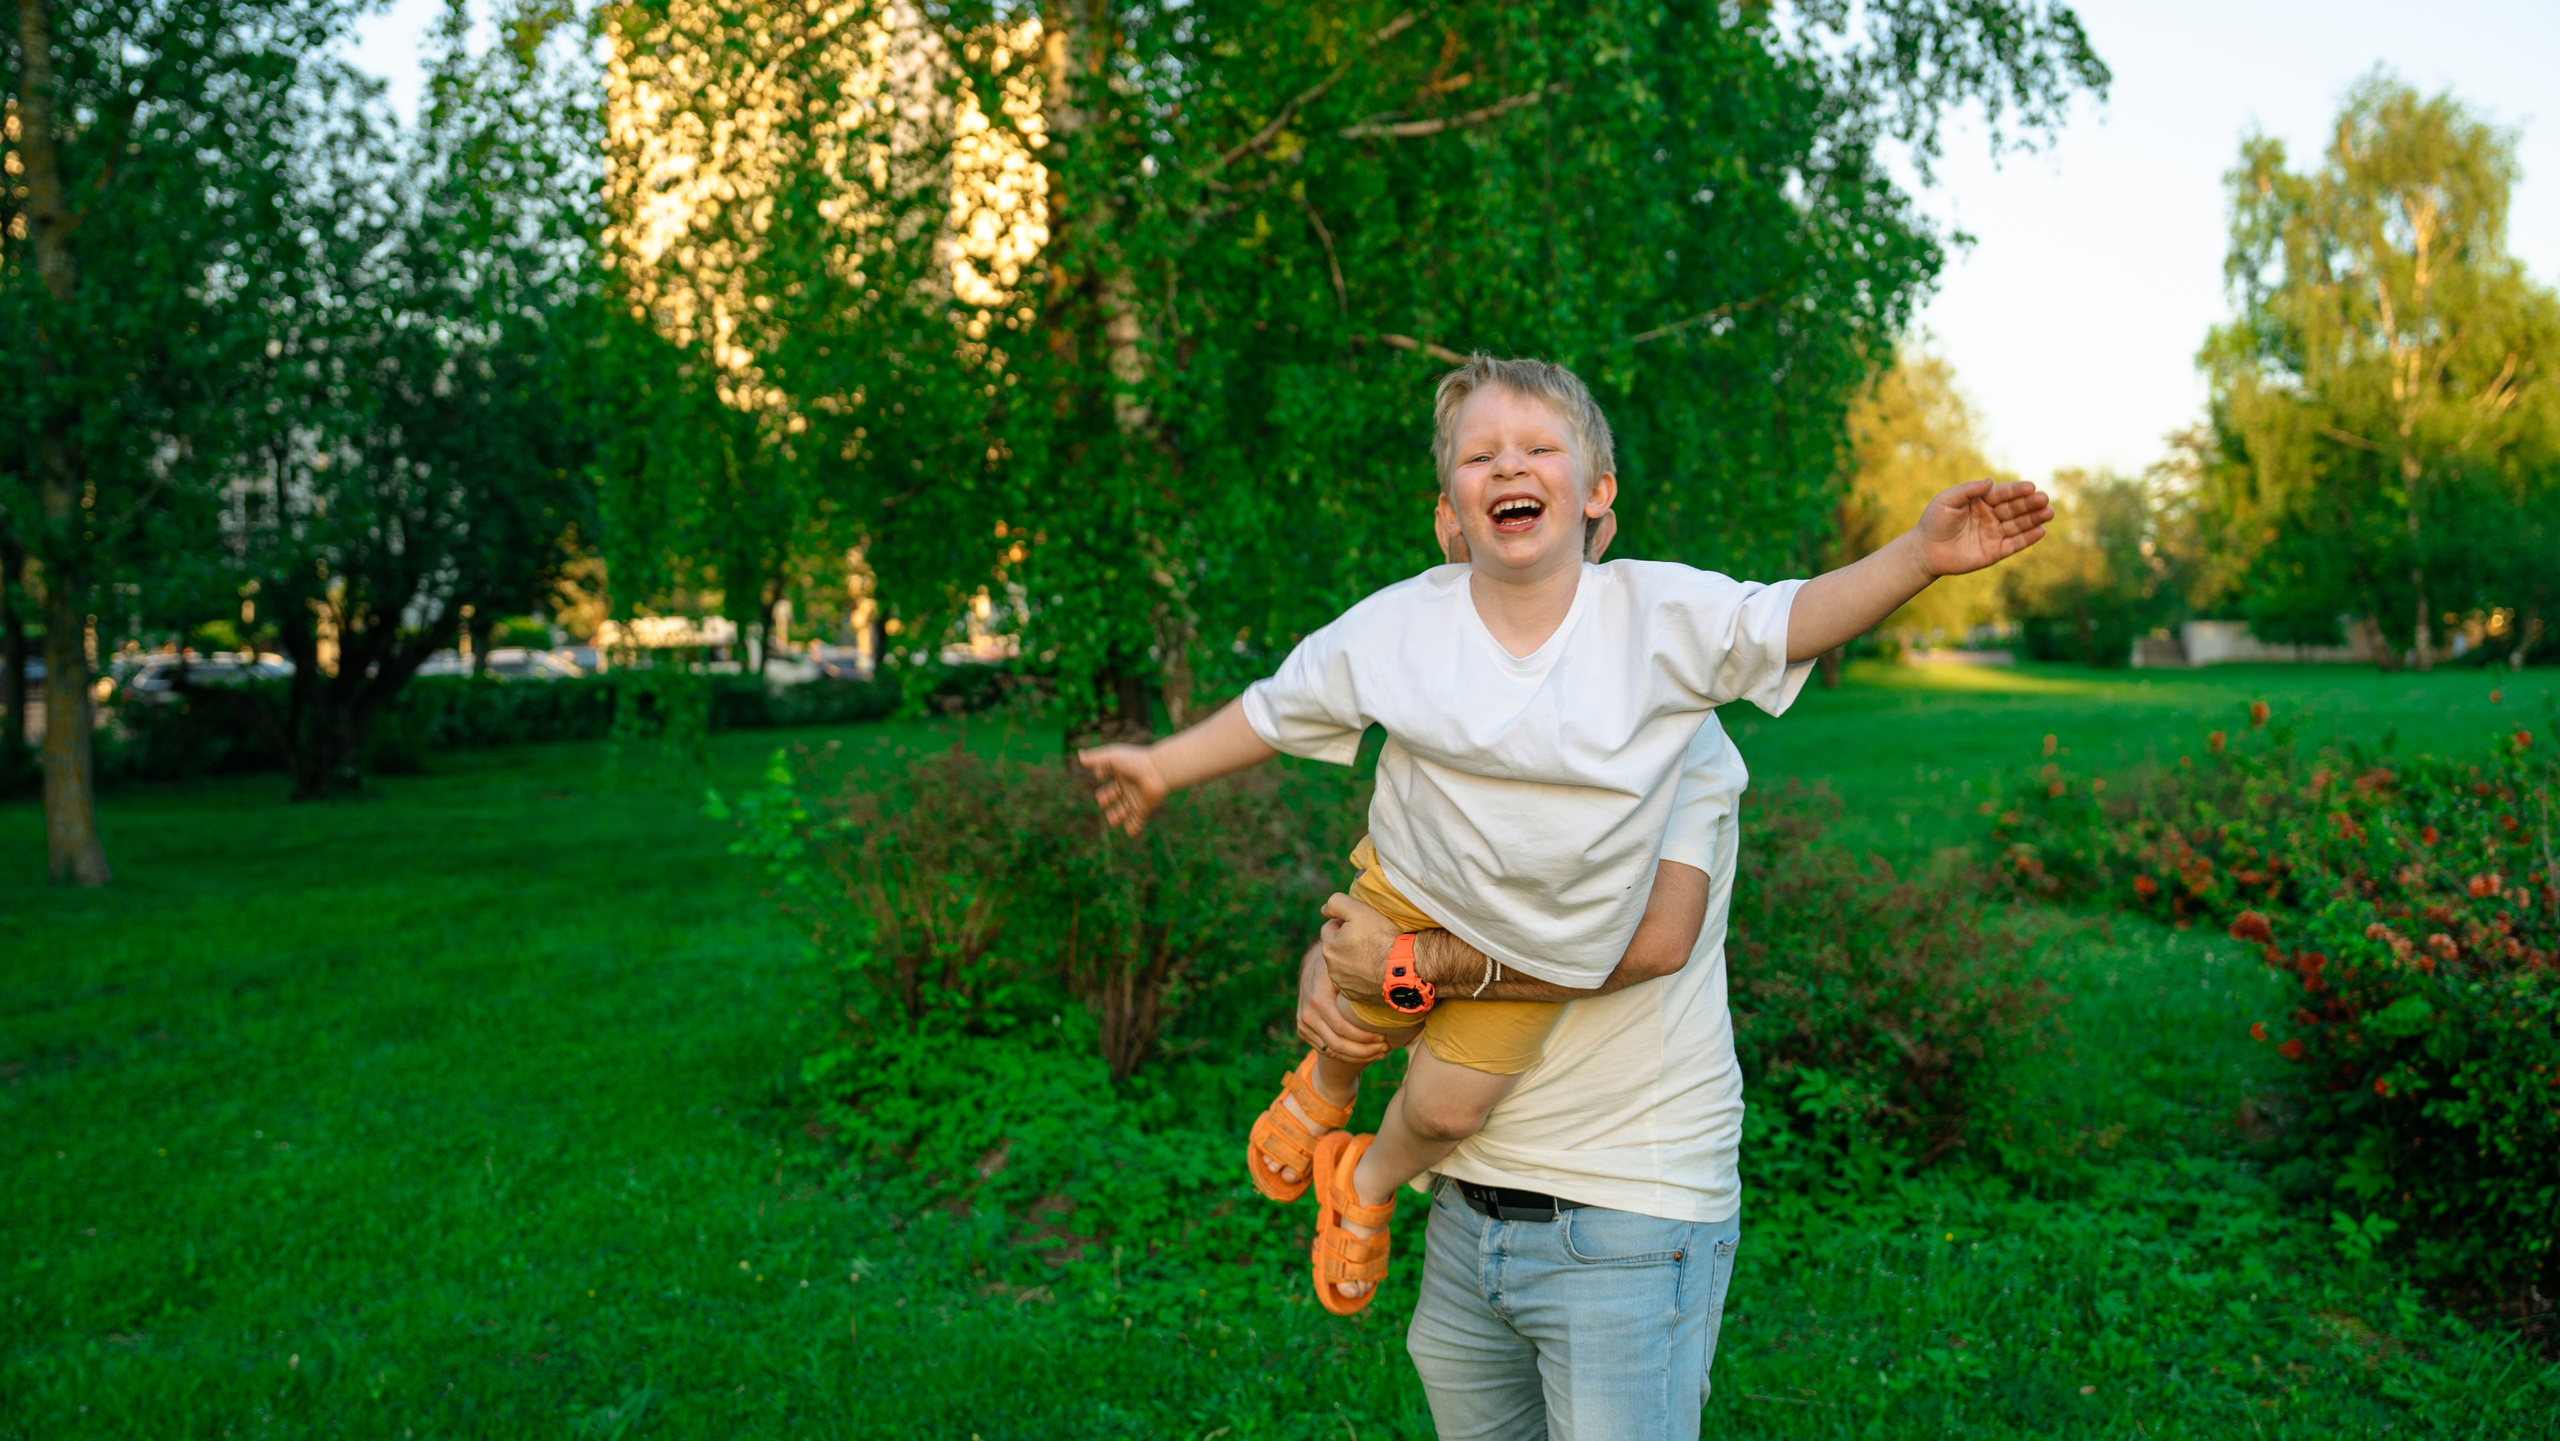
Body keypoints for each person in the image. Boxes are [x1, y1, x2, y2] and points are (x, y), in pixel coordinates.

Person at [1078, 355, 2051, 1326]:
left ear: (1597, 493)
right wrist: (1162, 767)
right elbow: (1277, 706)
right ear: (1448, 507)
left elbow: (1789, 616)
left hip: (1534, 947)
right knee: (1349, 996)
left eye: (1540, 447)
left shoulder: (1656, 626)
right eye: (1480, 454)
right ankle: (1321, 1085)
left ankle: (1363, 1180)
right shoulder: (1397, 626)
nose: (1509, 466)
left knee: (1449, 1104)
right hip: (1409, 882)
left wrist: (1917, 555)